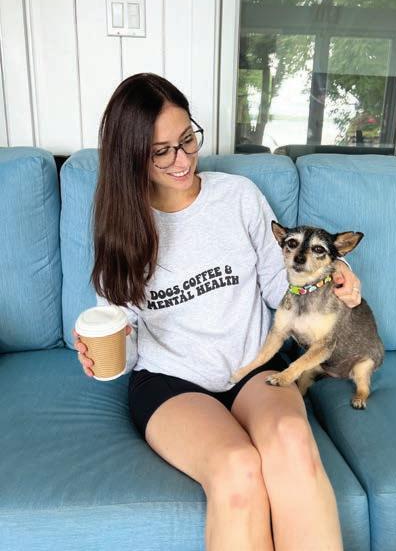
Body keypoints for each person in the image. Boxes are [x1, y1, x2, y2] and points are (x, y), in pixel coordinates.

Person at [74, 73, 362, 551]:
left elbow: (282, 286)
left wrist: (334, 274)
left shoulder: (238, 197)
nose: (182, 159)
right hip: (170, 382)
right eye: (161, 151)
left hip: (254, 366)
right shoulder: (121, 228)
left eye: (187, 138)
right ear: (132, 156)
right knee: (237, 468)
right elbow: (124, 337)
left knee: (292, 440)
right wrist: (105, 354)